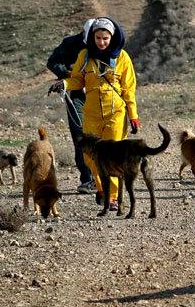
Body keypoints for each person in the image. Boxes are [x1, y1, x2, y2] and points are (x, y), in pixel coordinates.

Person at [49, 17, 141, 210]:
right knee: (90, 156)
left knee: (113, 156)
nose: (101, 42)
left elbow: (128, 89)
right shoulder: (84, 55)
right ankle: (101, 188)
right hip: (91, 114)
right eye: (98, 37)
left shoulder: (122, 57)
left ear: (112, 37)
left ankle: (112, 198)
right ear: (92, 37)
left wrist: (133, 115)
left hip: (115, 113)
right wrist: (64, 84)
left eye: (105, 38)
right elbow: (77, 81)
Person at [47, 19, 96, 194]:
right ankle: (87, 179)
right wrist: (69, 74)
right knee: (80, 135)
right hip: (75, 94)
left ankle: (103, 177)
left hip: (97, 94)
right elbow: (52, 62)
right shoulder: (69, 44)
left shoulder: (104, 42)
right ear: (84, 34)